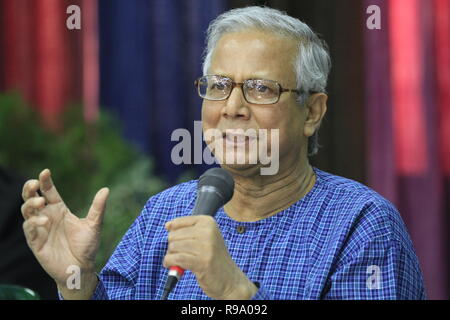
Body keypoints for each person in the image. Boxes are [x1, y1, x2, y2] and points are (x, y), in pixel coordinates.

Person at [21, 6, 425, 300]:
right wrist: (78, 281)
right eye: (219, 86)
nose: (232, 107)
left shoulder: (362, 224)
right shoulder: (166, 212)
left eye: (261, 89)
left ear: (312, 112)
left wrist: (234, 292)